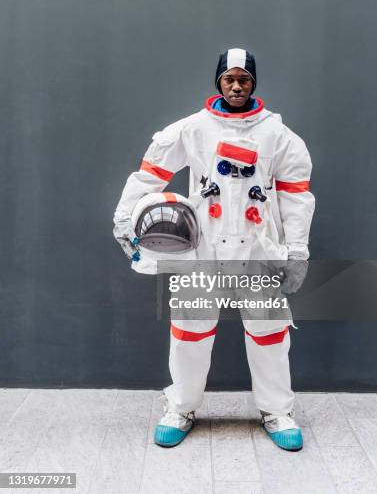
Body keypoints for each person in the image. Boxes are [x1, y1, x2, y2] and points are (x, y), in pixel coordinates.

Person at [113, 48, 315, 450]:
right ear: (218, 82)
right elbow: (149, 174)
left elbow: (297, 196)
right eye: (229, 79)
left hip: (258, 250)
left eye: (244, 79)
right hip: (202, 248)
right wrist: (124, 222)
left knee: (270, 332)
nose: (236, 86)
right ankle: (182, 407)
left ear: (253, 83)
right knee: (189, 332)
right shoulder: (193, 129)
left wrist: (296, 251)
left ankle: (276, 410)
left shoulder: (277, 135)